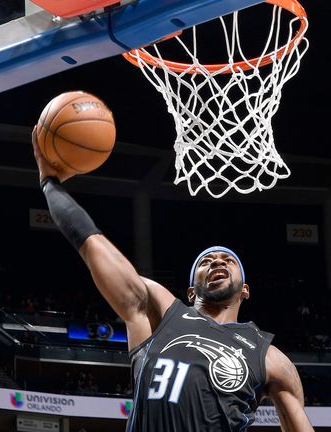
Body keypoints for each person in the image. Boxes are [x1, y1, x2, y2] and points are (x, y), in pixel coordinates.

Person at [32, 138, 314, 431]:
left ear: (246, 289)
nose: (217, 262)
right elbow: (93, 245)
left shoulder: (270, 357)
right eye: (206, 262)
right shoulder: (161, 314)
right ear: (191, 291)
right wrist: (49, 183)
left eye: (228, 260)